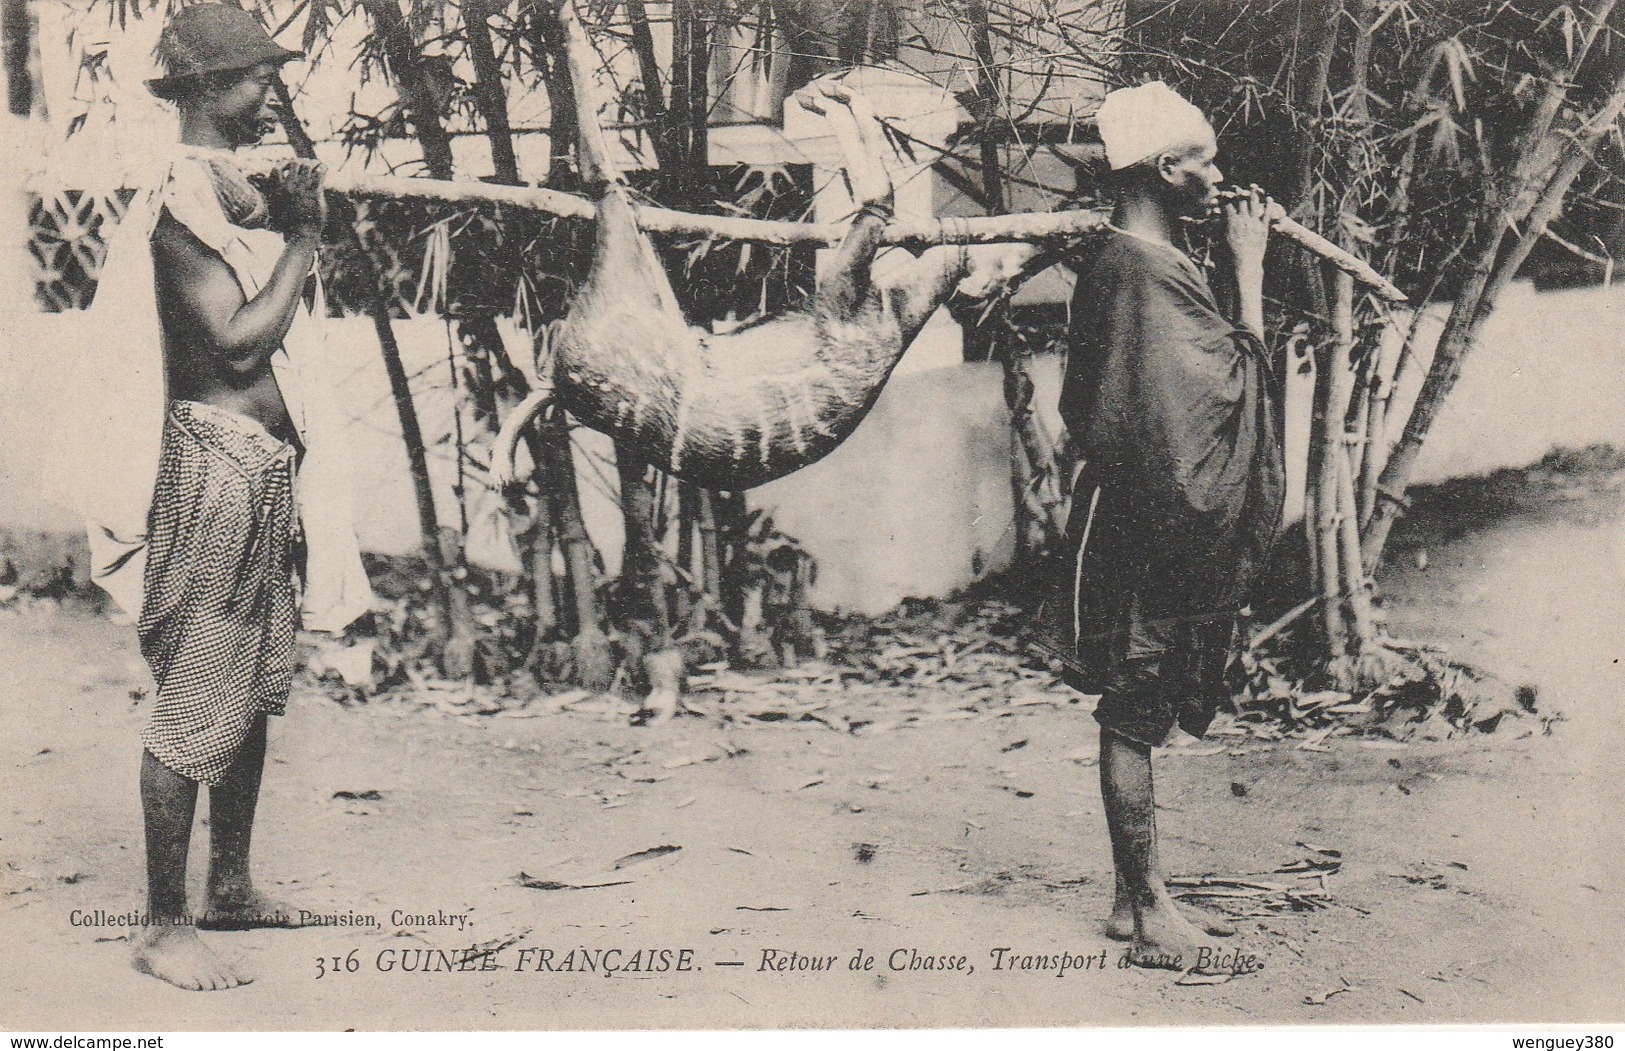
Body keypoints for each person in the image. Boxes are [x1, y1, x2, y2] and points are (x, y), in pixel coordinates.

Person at [72, 3, 371, 991]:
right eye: (248, 79)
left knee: (248, 692)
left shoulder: (226, 197)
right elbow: (239, 342)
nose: (265, 94)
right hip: (213, 473)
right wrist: (306, 239)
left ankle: (230, 888)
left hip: (264, 469)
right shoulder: (177, 208)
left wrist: (287, 222)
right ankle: (162, 924)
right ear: (202, 91)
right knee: (197, 693)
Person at [1046, 82, 1284, 971]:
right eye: (1203, 161)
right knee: (1134, 706)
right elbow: (1215, 396)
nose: (1216, 177)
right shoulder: (1141, 270)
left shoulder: (1136, 256)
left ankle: (1128, 899)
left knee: (1133, 701)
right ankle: (1147, 913)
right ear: (1161, 168)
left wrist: (1224, 262)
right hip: (1149, 520)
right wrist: (1249, 268)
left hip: (1136, 509)